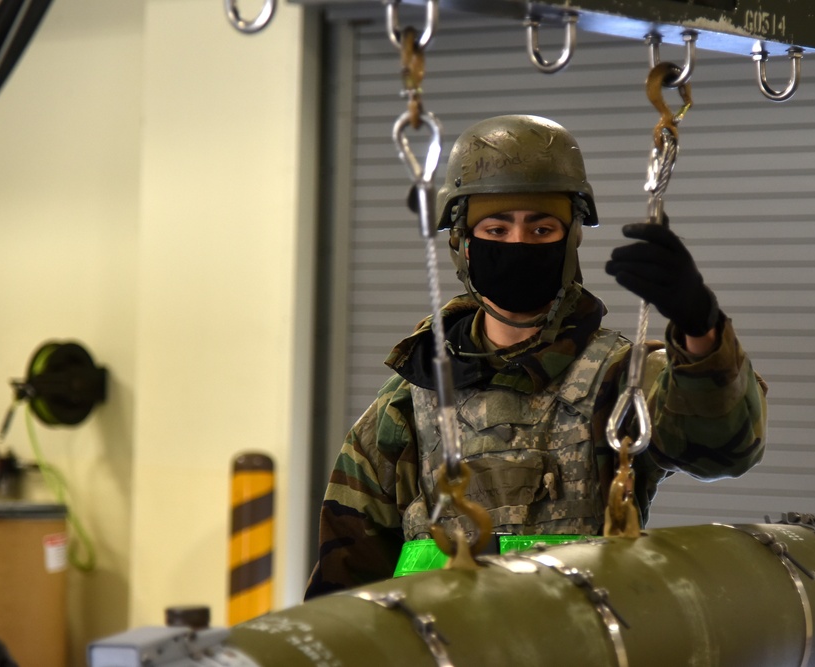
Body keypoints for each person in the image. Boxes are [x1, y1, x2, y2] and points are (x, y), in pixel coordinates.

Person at [304, 114, 767, 598]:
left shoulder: (623, 379)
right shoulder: (409, 398)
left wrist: (700, 327)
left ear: (570, 240)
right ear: (462, 242)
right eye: (497, 229)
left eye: (542, 229)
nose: (519, 244)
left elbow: (726, 451)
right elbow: (345, 585)